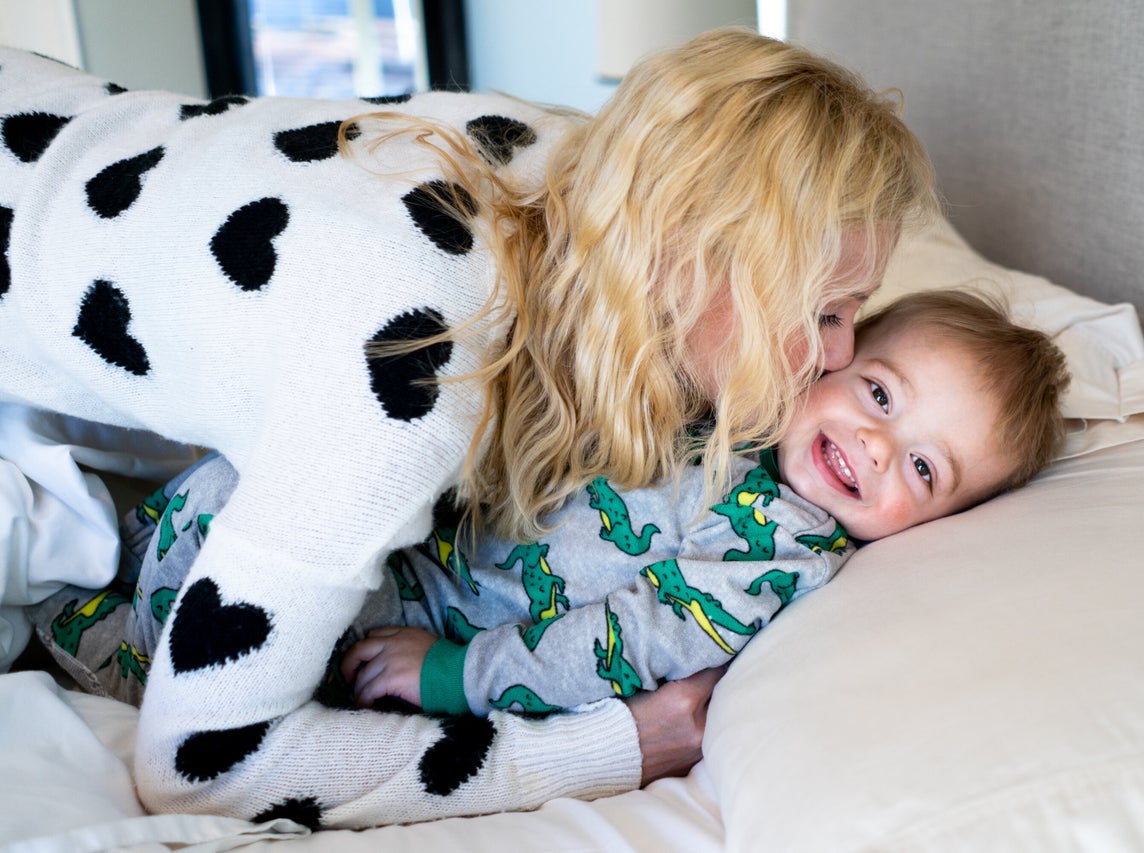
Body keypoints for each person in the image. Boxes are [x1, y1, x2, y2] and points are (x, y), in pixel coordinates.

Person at [1, 27, 936, 828]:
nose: (840, 354)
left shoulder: (583, 171)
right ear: (694, 259)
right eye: (823, 310)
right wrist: (618, 745)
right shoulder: (416, 352)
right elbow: (199, 763)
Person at [36, 289, 1069, 730]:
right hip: (436, 519)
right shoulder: (743, 411)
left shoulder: (780, 556)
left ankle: (103, 646)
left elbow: (623, 644)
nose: (876, 445)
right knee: (228, 484)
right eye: (878, 393)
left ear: (935, 524)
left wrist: (453, 673)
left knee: (239, 579)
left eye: (924, 471)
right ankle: (82, 556)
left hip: (434, 613)